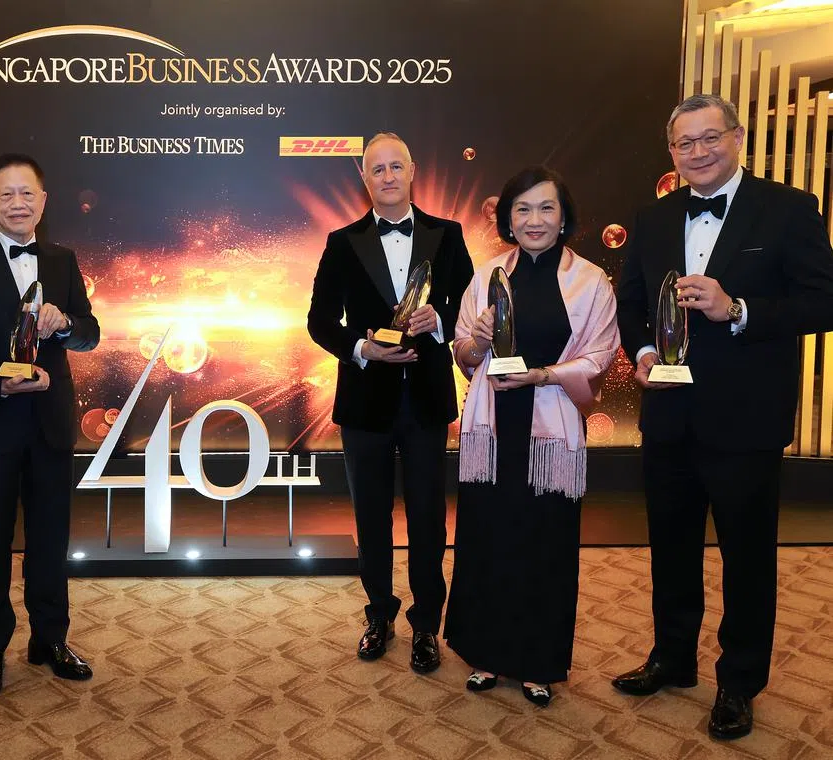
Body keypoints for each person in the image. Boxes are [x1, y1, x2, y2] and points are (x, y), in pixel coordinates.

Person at [613, 94, 833, 739]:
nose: (699, 152)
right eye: (685, 143)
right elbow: (631, 303)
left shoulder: (790, 209)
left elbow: (823, 303)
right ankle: (673, 658)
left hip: (747, 420)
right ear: (672, 151)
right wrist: (646, 352)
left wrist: (737, 308)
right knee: (671, 549)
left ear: (737, 139)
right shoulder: (651, 218)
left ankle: (739, 682)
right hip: (669, 415)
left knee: (747, 557)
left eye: (712, 138)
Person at [444, 167, 620, 706]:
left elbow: (600, 355)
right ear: (508, 219)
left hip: (550, 432)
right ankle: (485, 654)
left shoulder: (590, 281)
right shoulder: (488, 274)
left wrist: (544, 374)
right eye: (522, 209)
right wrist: (472, 342)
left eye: (546, 208)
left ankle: (538, 661)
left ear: (564, 216)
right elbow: (465, 356)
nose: (534, 220)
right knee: (487, 541)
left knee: (545, 544)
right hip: (493, 430)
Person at [307, 132, 474, 673]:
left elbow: (470, 308)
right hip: (365, 403)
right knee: (370, 516)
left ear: (412, 170)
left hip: (426, 401)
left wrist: (441, 321)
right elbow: (318, 322)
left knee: (428, 517)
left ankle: (426, 622)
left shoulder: (446, 235)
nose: (387, 176)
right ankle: (378, 612)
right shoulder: (341, 241)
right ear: (364, 177)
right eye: (376, 169)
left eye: (395, 166)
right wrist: (362, 349)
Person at [0, 153, 99, 701]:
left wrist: (68, 322)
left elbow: (90, 334)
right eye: (7, 194)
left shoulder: (63, 259)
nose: (19, 203)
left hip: (51, 424)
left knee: (51, 541)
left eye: (27, 193)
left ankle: (50, 641)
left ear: (43, 201)